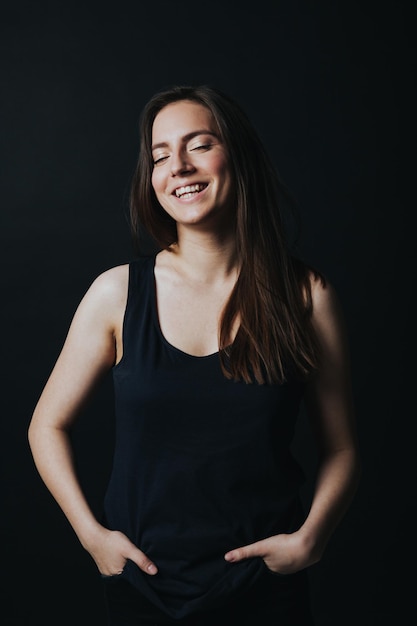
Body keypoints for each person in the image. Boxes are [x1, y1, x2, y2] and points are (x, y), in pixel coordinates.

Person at [28, 84, 361, 625]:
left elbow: (342, 448)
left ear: (239, 155)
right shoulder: (117, 294)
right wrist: (93, 539)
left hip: (265, 590)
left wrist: (310, 541)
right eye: (160, 156)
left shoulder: (306, 296)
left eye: (199, 145)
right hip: (143, 590)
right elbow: (46, 426)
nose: (178, 166)